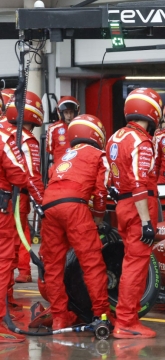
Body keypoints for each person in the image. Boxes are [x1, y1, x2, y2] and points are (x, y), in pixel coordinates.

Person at [40, 114, 110, 330]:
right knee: (91, 262)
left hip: (49, 206)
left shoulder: (64, 157)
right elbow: (101, 191)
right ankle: (102, 316)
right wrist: (98, 218)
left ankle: (60, 317)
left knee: (52, 267)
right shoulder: (99, 154)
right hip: (74, 207)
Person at [106, 87, 162, 338]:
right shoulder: (142, 141)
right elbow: (140, 182)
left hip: (122, 206)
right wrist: (147, 221)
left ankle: (122, 317)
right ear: (152, 112)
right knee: (136, 265)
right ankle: (127, 322)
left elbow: (109, 179)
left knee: (130, 262)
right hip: (140, 207)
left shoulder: (114, 138)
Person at [0, 103, 44, 343]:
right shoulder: (14, 139)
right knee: (4, 261)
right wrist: (44, 202)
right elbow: (22, 174)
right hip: (5, 205)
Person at [4, 91, 46, 284]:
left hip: (7, 197)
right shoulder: (27, 140)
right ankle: (21, 274)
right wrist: (43, 203)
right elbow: (32, 176)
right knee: (14, 244)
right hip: (15, 199)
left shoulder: (4, 133)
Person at [46, 96, 80, 166]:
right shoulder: (53, 128)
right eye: (66, 112)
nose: (69, 116)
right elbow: (50, 149)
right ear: (61, 113)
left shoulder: (82, 126)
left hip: (77, 166)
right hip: (59, 166)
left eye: (71, 112)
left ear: (76, 112)